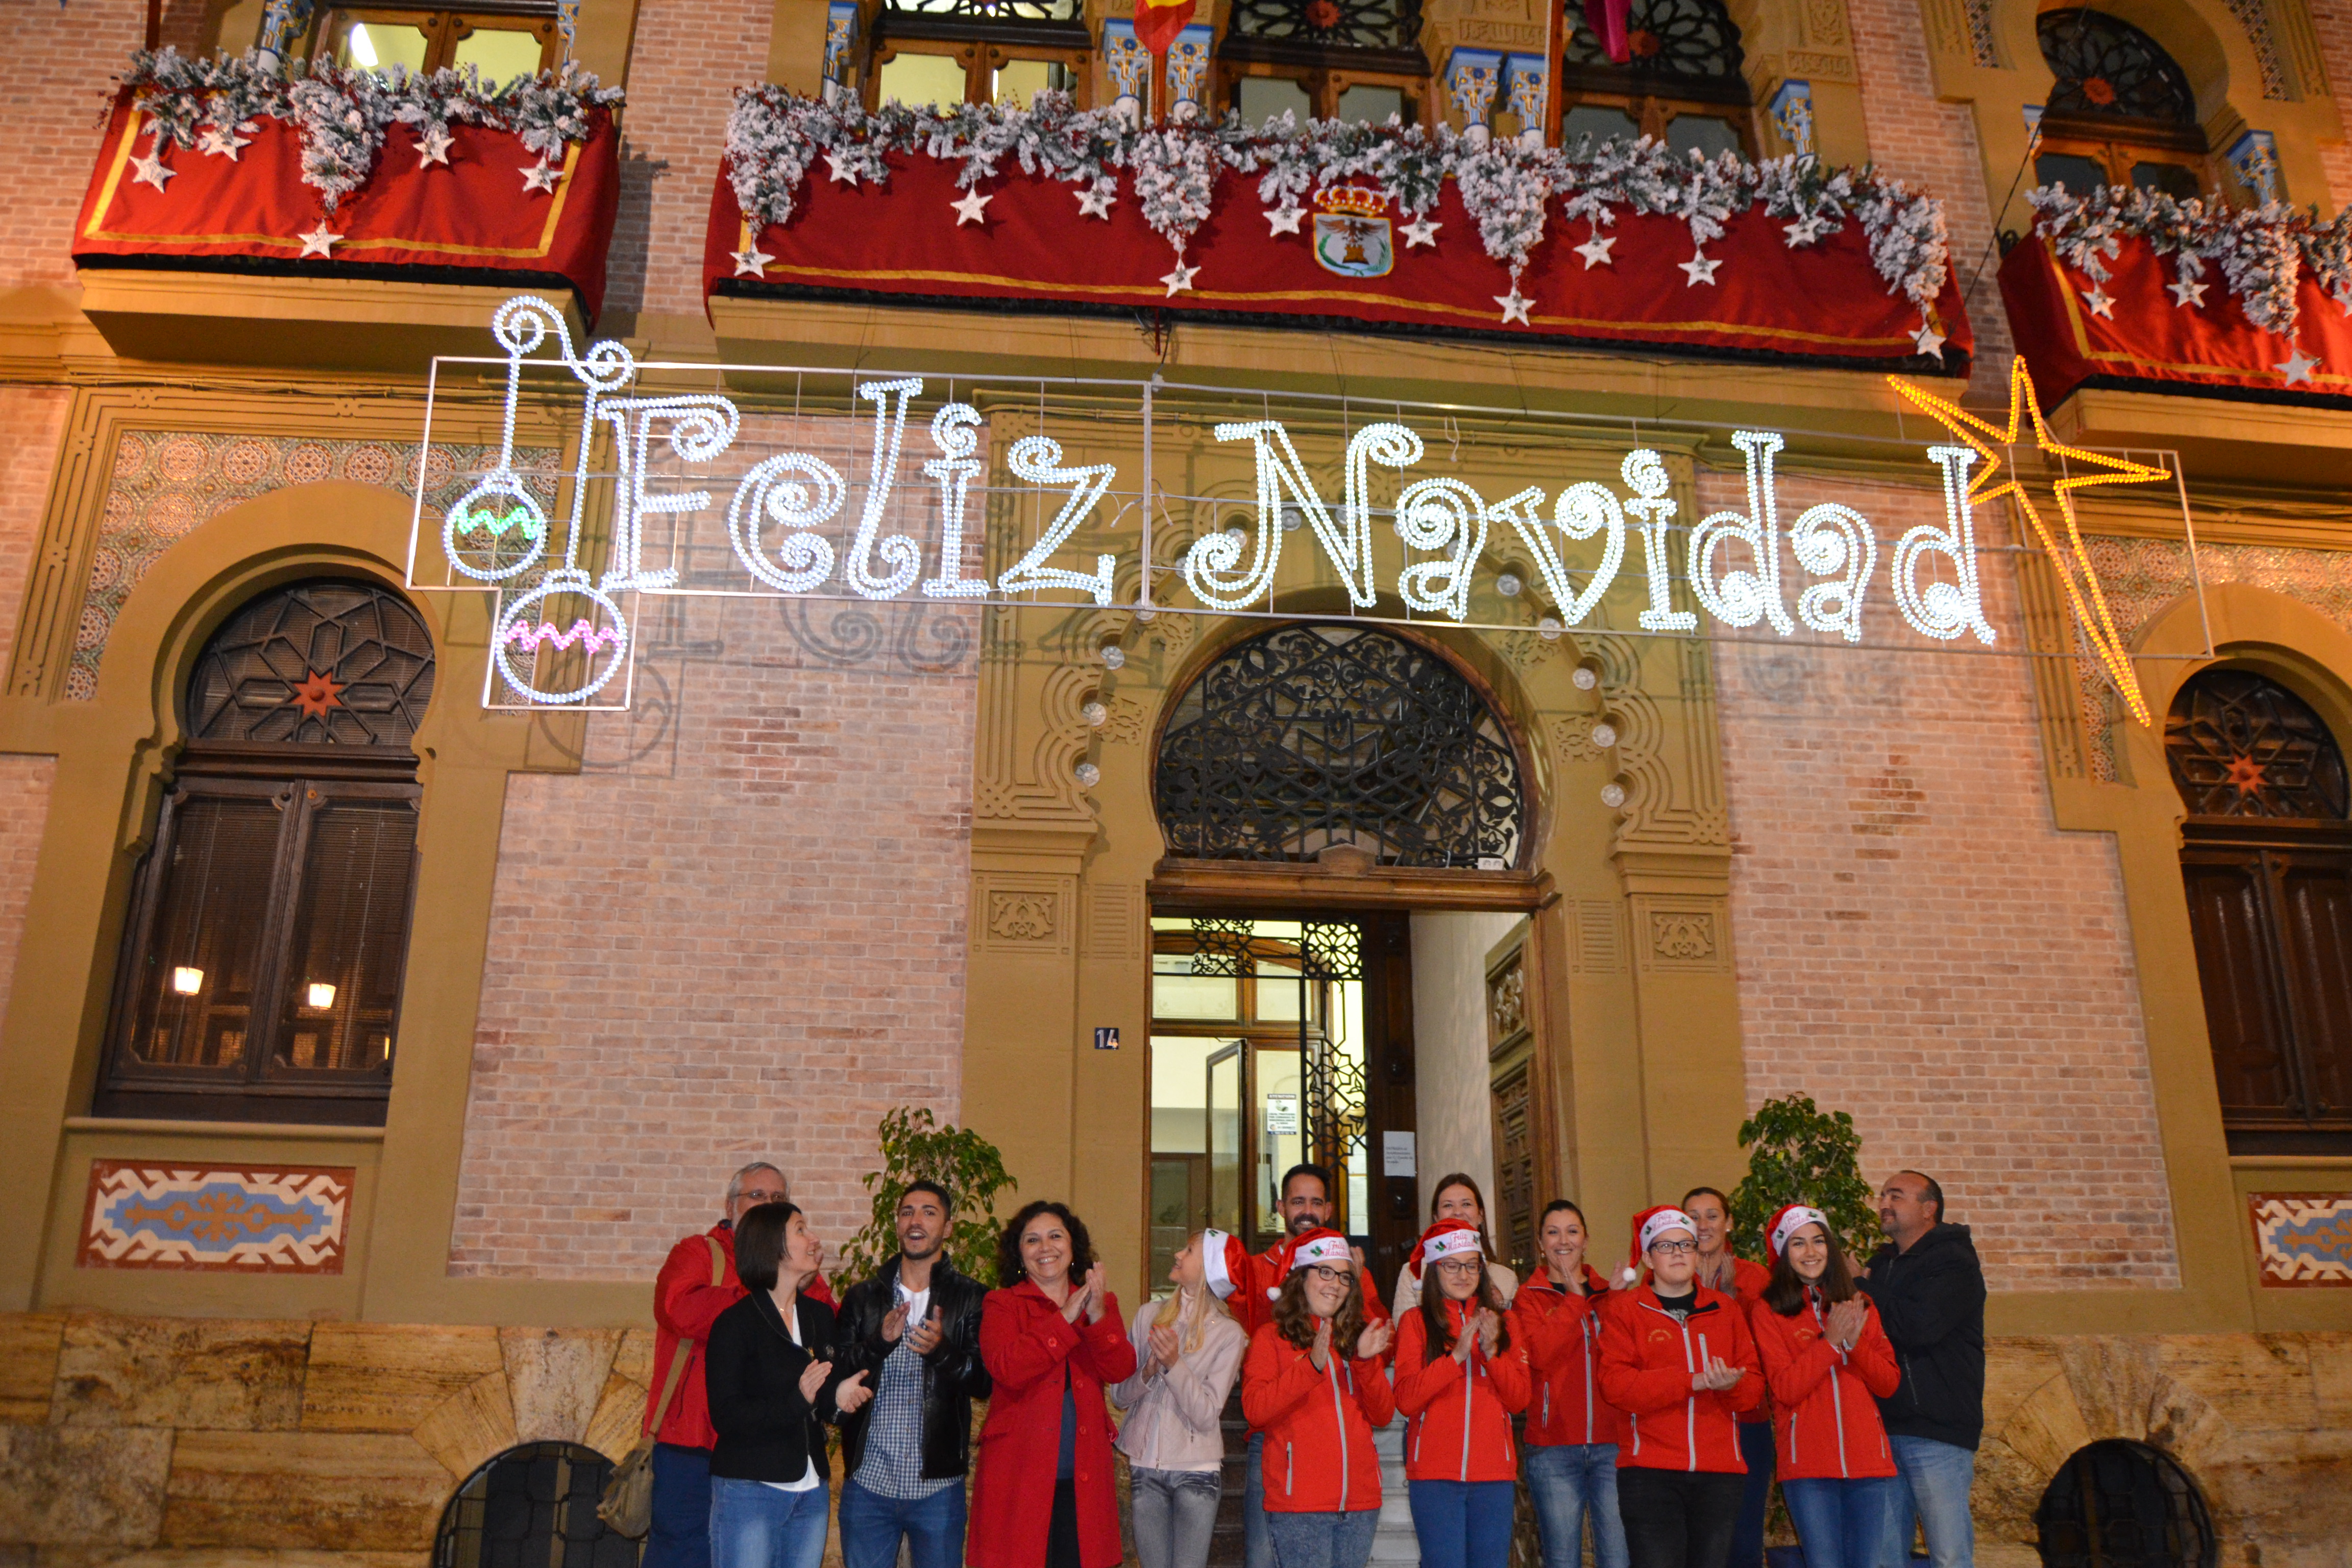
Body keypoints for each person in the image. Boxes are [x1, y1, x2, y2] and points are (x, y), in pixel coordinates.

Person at [647, 1163, 838, 1568]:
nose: (767, 1204)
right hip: (692, 1440)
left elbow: (826, 1334)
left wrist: (802, 1284)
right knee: (682, 1553)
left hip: (772, 1447)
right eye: (757, 1196)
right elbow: (678, 1309)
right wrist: (768, 1289)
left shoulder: (805, 1279)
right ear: (729, 1206)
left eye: (778, 1198)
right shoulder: (698, 1252)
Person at [1202, 1164, 1389, 1568]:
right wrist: (1311, 1363)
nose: (1333, 1284)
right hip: (1276, 1441)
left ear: (1329, 1209)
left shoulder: (1352, 1272)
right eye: (1298, 1201)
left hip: (1349, 1483)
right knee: (1262, 1557)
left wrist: (1363, 1352)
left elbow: (1376, 1343)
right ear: (1281, 1206)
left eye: (1316, 1202)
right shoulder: (1254, 1270)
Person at [704, 1203, 873, 1568]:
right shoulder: (735, 1324)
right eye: (801, 1230)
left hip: (811, 1493)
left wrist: (842, 1399)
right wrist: (797, 1399)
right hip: (750, 1492)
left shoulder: (820, 1316)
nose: (813, 1239)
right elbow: (727, 1416)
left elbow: (824, 1402)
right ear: (772, 1246)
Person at [969, 1201, 1137, 1568]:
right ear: (1019, 1253)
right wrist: (1064, 1319)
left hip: (1084, 1480)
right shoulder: (1002, 1304)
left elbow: (1121, 1368)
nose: (1045, 1248)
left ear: (1073, 1246)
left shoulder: (1101, 1302)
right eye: (1032, 1240)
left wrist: (1095, 1315)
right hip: (1017, 1477)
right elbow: (1006, 1367)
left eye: (1055, 1236)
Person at [834, 1181, 993, 1568]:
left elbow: (983, 1383)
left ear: (949, 1228)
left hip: (938, 1486)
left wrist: (942, 1351)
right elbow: (837, 1374)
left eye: (929, 1212)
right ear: (897, 1225)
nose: (915, 1221)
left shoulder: (972, 1297)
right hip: (868, 1482)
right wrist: (879, 1342)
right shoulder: (863, 1296)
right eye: (907, 1212)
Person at [1598, 1206, 1762, 1568]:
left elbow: (1753, 1391)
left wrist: (1727, 1387)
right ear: (1647, 1258)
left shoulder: (1725, 1309)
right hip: (1650, 1474)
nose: (1678, 1253)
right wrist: (1693, 1381)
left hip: (1720, 1475)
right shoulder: (1626, 1310)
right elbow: (1617, 1387)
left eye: (1686, 1245)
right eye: (1666, 1246)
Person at [1746, 1206, 1902, 1568]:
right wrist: (1830, 1343)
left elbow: (1888, 1383)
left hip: (1868, 1464)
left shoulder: (1861, 1305)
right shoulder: (1768, 1311)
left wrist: (1853, 1344)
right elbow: (1784, 1389)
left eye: (1819, 1241)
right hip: (1809, 1469)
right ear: (1785, 1255)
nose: (1811, 1252)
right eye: (1798, 1244)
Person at [1239, 1229, 1398, 1568]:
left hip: (1360, 1505)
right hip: (1300, 1506)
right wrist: (1311, 1365)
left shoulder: (1355, 1340)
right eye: (1325, 1272)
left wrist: (1366, 1362)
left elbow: (1383, 1416)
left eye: (1344, 1276)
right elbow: (1255, 1410)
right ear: (1301, 1277)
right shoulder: (1271, 1338)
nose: (1336, 1284)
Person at [1856, 1172, 1984, 1568]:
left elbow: (1920, 1327)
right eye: (1882, 1195)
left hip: (1937, 1431)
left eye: (1896, 1196)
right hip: (1884, 1429)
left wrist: (1865, 1286)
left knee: (1948, 1554)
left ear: (1929, 1210)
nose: (1884, 1203)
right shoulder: (1882, 1264)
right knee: (1883, 1556)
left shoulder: (1954, 1262)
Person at [1393, 1219, 1531, 1568]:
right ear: (1435, 1269)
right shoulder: (1415, 1322)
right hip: (1435, 1477)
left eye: (1471, 1265)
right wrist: (1456, 1357)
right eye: (1451, 1265)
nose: (1462, 1274)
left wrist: (1492, 1353)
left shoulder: (1505, 1322)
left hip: (1494, 1476)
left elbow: (1519, 1399)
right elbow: (1407, 1399)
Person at [1112, 1231, 1248, 1568]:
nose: (1177, 1253)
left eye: (1189, 1251)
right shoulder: (1148, 1315)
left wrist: (1174, 1366)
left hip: (1197, 1473)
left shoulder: (1230, 1334)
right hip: (1145, 1468)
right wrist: (1148, 1371)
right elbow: (1118, 1396)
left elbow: (1205, 1416)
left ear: (1208, 1272)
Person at [1512, 1200, 1628, 1568]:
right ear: (1540, 1243)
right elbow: (1541, 1355)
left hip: (1612, 1444)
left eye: (1572, 1231)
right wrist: (1575, 1302)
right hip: (1553, 1448)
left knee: (1618, 1557)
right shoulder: (1527, 1298)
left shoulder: (1609, 1294)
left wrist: (1618, 1303)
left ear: (1586, 1239)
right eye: (1553, 1232)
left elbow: (1625, 1361)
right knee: (1562, 1559)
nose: (1564, 1241)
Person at [1681, 1187, 1772, 1568]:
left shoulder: (1757, 1280)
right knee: (1689, 1540)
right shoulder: (1665, 1280)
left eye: (1712, 1216)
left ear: (1729, 1222)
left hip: (1746, 1425)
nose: (1703, 1226)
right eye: (1693, 1217)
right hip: (1686, 1424)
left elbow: (1772, 1353)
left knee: (1743, 1538)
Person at [1392, 1174, 1521, 1314]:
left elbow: (1512, 1332)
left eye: (1466, 1204)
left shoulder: (1506, 1278)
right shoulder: (1413, 1273)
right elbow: (1405, 1330)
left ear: (1481, 1215)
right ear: (1436, 1217)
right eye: (1448, 1205)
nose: (1458, 1212)